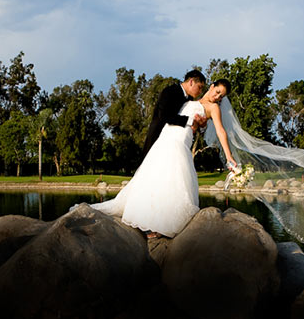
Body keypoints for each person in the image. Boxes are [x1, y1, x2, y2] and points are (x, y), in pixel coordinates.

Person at [89, 79, 236, 239]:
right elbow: (173, 116)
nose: (217, 97)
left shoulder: (213, 108)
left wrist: (229, 157)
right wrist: (199, 125)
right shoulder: (189, 100)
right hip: (165, 138)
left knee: (173, 181)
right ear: (211, 87)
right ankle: (147, 219)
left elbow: (221, 131)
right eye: (217, 92)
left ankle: (161, 226)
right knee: (155, 178)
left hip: (180, 142)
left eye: (221, 96)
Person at [142, 70, 209, 158]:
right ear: (191, 82)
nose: (200, 92)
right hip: (157, 138)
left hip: (175, 143)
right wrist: (190, 120)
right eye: (200, 87)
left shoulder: (189, 99)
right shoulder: (170, 91)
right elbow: (164, 115)